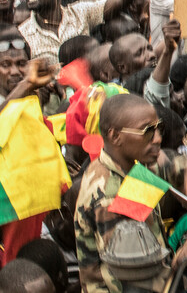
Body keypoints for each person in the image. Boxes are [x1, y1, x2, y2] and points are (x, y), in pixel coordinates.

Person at [74, 93, 176, 292]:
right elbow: (129, 275)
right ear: (115, 136)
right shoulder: (111, 195)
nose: (157, 139)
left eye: (159, 128)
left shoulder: (125, 166)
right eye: (147, 131)